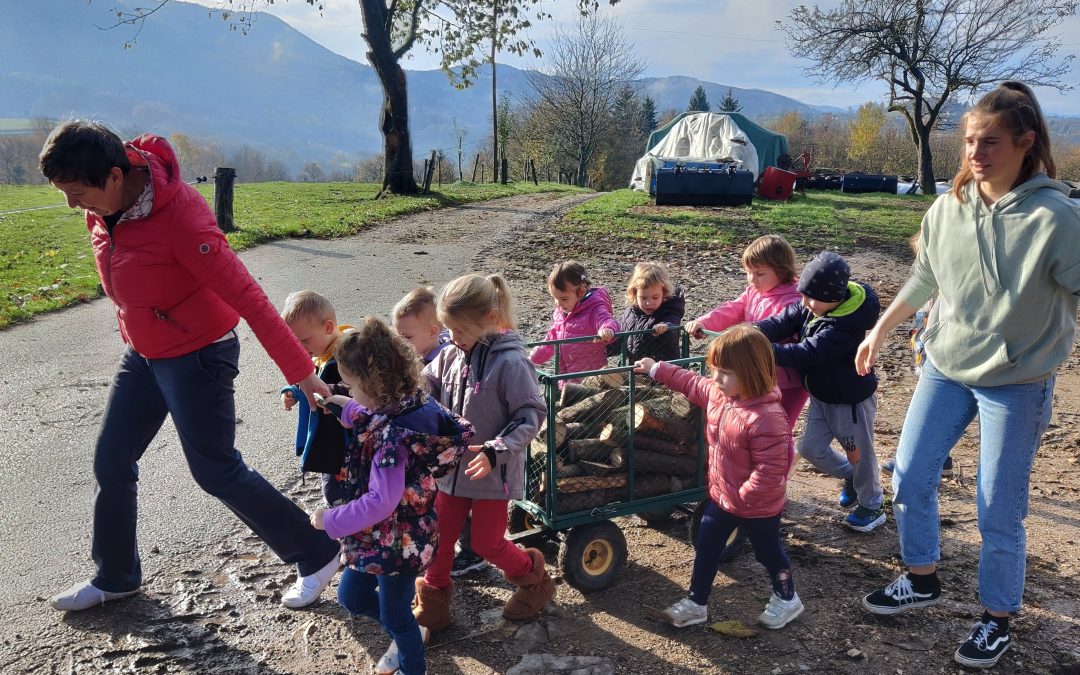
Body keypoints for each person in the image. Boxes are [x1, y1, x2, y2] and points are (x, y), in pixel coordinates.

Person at [40, 121, 341, 612]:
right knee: (112, 460)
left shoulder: (181, 217)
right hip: (145, 350)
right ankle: (115, 575)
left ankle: (318, 551)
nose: (75, 206)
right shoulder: (106, 204)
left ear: (115, 176)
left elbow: (249, 296)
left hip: (199, 353)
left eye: (78, 194)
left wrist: (300, 371)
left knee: (215, 470)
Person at [856, 82, 1080, 669]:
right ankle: (922, 577)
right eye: (970, 142)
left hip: (1018, 380)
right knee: (908, 478)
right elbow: (925, 277)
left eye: (991, 143)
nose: (976, 154)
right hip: (946, 367)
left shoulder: (1055, 217)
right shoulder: (948, 208)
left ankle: (996, 618)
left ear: (1026, 143)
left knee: (996, 508)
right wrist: (879, 330)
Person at [312, 317, 473, 675]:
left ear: (374, 386)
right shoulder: (407, 404)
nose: (351, 393)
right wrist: (347, 406)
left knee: (395, 613)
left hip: (401, 541)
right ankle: (403, 628)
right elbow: (376, 416)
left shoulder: (391, 440)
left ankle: (411, 660)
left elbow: (380, 501)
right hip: (384, 535)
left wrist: (330, 520)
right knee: (351, 597)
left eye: (353, 387)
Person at [634, 325, 802, 630]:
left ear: (751, 373)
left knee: (768, 553)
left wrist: (745, 497)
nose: (716, 378)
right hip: (723, 497)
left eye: (724, 372)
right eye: (715, 370)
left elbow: (771, 470)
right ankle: (697, 602)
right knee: (706, 544)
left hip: (757, 506)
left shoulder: (767, 418)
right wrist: (657, 368)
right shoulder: (720, 394)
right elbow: (691, 383)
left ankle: (787, 597)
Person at [413, 274, 551, 631]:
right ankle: (433, 601)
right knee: (440, 536)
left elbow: (530, 414)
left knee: (487, 543)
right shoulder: (452, 356)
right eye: (448, 331)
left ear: (490, 318)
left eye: (459, 331)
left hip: (491, 473)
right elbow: (424, 388)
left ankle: (534, 578)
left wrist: (496, 449)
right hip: (451, 472)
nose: (452, 340)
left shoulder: (512, 364)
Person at [754, 251, 885, 532]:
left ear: (835, 297)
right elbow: (784, 321)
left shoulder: (845, 327)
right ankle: (851, 477)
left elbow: (807, 353)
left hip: (849, 402)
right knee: (810, 448)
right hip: (822, 396)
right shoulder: (816, 303)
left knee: (859, 454)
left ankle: (873, 505)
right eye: (802, 295)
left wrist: (761, 350)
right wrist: (755, 332)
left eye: (811, 298)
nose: (804, 304)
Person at [392, 287, 487, 578]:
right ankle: (442, 548)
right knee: (441, 499)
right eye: (399, 337)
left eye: (406, 338)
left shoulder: (444, 356)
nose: (402, 344)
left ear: (433, 331)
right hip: (435, 444)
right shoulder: (426, 355)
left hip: (451, 443)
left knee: (457, 498)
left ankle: (473, 551)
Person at [685, 235, 807, 429]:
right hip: (754, 375)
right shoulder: (754, 292)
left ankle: (783, 458)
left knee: (780, 428)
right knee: (754, 426)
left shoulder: (793, 302)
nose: (752, 279)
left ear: (781, 271)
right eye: (748, 272)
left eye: (759, 273)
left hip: (786, 381)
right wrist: (704, 322)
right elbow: (732, 308)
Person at [279, 290, 354, 506]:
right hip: (326, 437)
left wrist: (328, 392)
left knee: (338, 489)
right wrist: (293, 391)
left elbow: (361, 390)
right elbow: (307, 379)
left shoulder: (348, 355)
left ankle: (344, 526)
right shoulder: (319, 354)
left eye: (304, 341)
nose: (301, 349)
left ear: (328, 327)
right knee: (329, 482)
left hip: (343, 442)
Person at [529, 261, 619, 383]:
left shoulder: (594, 308)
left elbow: (607, 320)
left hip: (590, 379)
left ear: (582, 291)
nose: (558, 304)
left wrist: (607, 329)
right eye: (555, 298)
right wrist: (532, 360)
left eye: (564, 299)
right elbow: (551, 339)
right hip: (565, 376)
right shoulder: (561, 312)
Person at [608, 261, 685, 363]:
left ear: (664, 293)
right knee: (603, 376)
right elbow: (622, 340)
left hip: (660, 370)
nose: (649, 303)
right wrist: (607, 343)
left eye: (655, 297)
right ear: (634, 294)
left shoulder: (669, 310)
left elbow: (673, 321)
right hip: (633, 367)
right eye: (643, 298)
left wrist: (665, 326)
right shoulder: (630, 313)